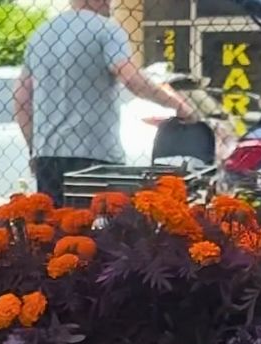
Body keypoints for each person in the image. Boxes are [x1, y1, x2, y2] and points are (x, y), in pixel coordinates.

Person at [15, 0, 197, 202]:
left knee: (55, 227)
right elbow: (130, 78)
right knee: (100, 226)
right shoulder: (106, 29)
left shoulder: (41, 34)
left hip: (47, 158)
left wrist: (35, 148)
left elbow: (21, 99)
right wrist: (180, 107)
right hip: (96, 159)